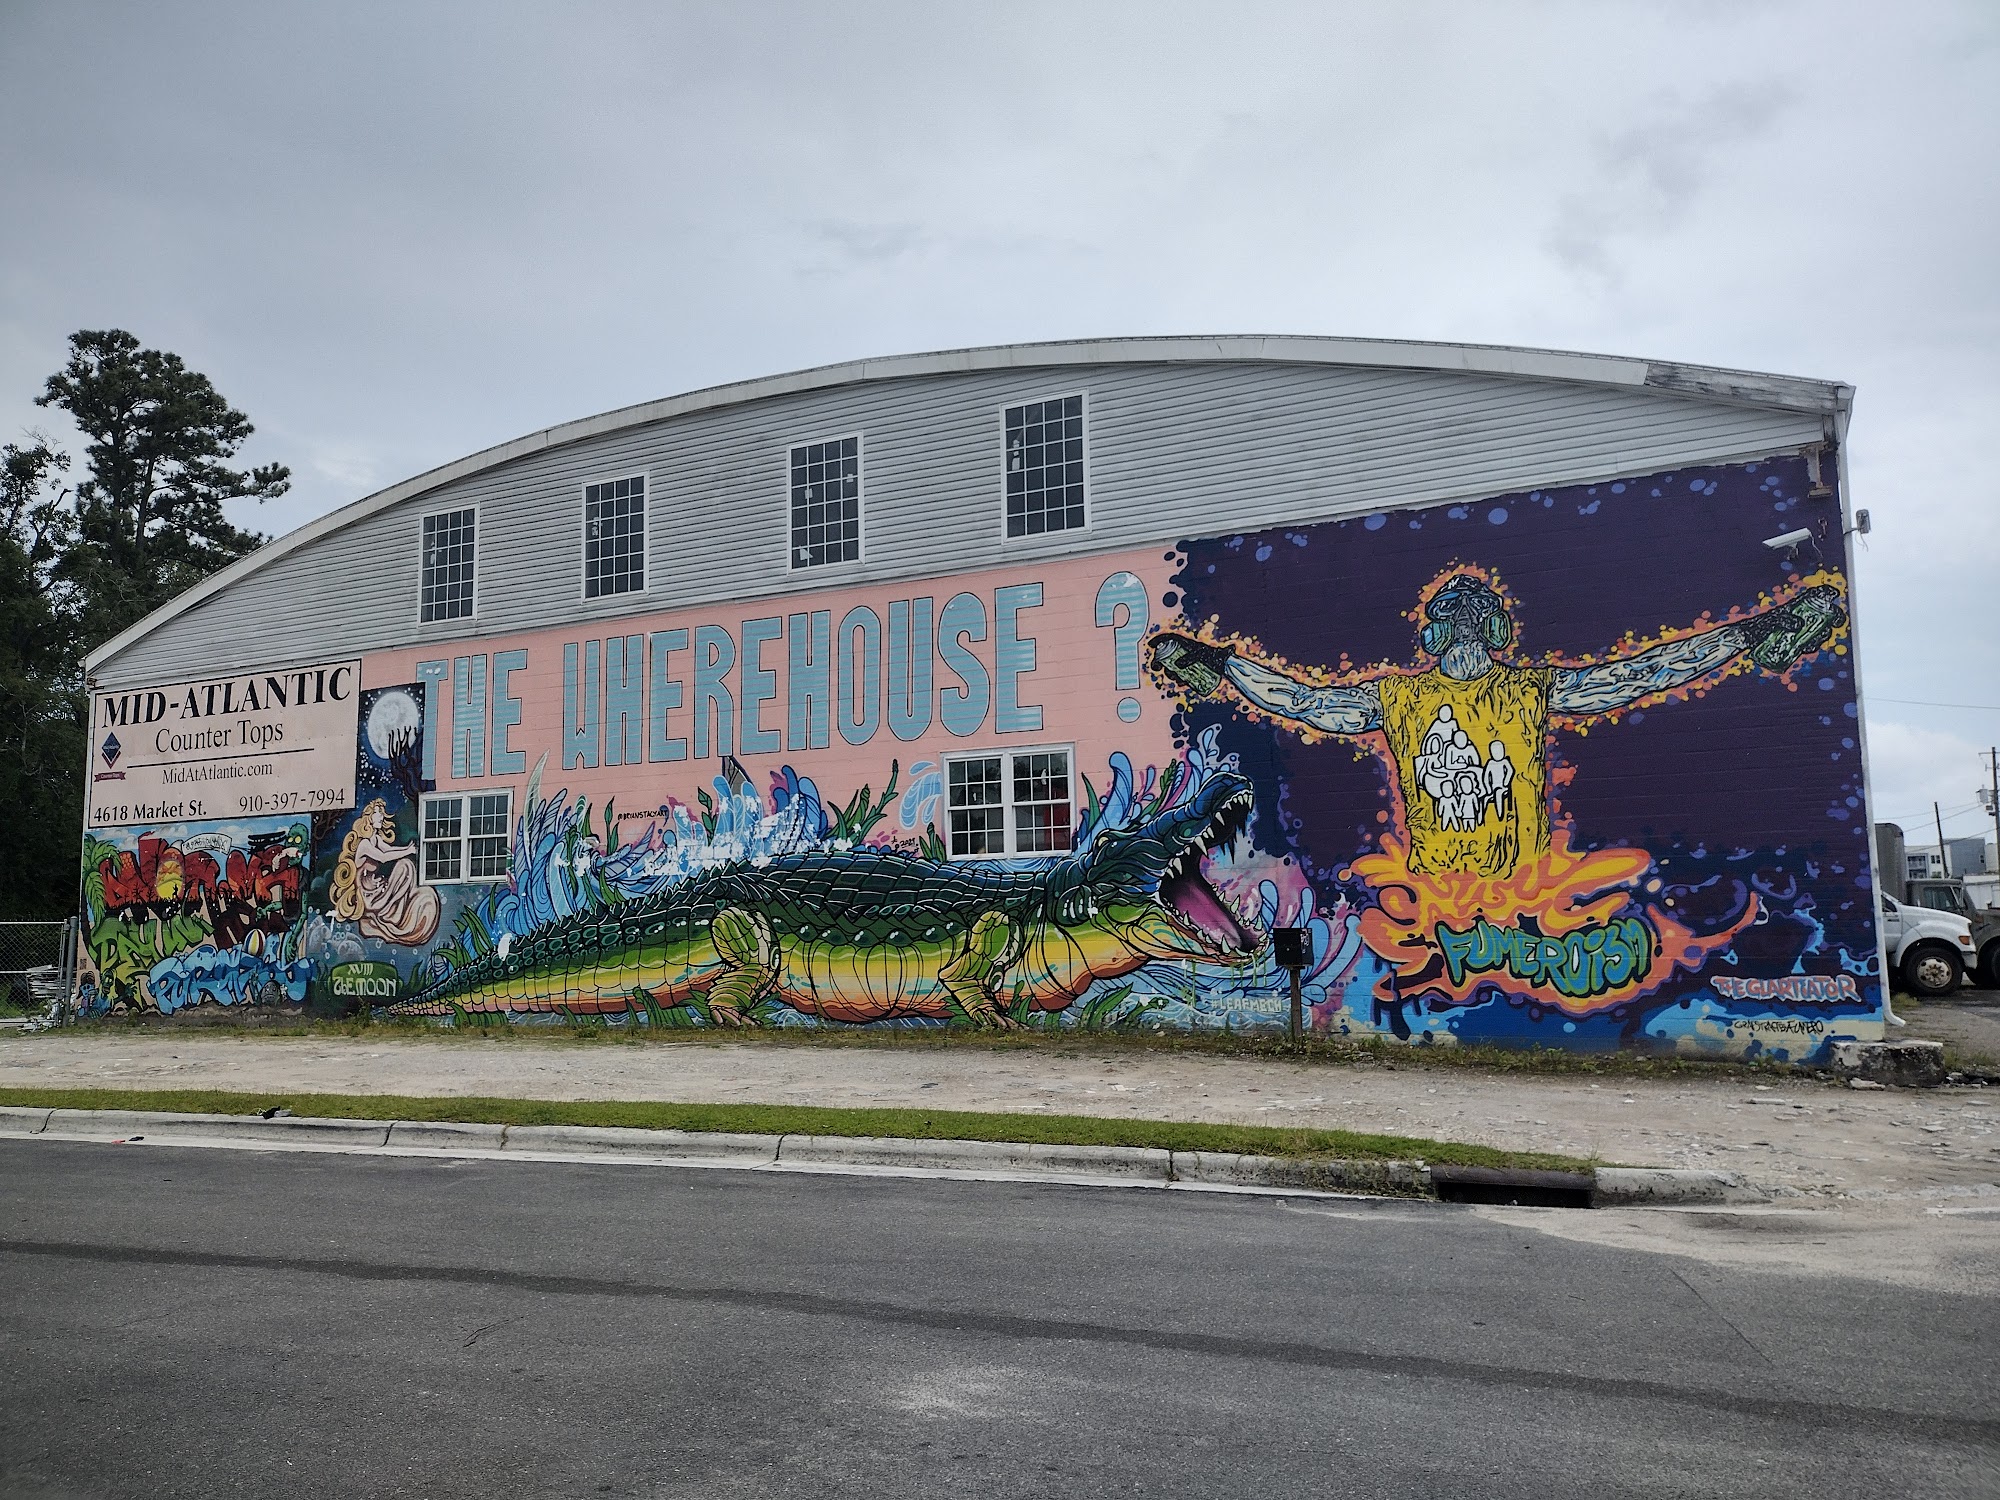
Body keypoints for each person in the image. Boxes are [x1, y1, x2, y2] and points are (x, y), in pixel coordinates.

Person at [1148, 572, 1844, 879]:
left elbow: (1641, 674)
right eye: (1451, 614)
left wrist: (1748, 636)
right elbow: (1306, 703)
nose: (1461, 622)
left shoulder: (1528, 691)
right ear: (1434, 632)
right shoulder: (1401, 698)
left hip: (1523, 891)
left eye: (1470, 612)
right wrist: (1223, 665)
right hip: (1433, 894)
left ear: (1492, 627)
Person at [329, 800, 441, 945]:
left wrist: (407, 849)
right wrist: (408, 851)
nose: (381, 816)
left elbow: (389, 849)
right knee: (404, 865)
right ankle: (389, 914)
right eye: (376, 813)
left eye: (382, 813)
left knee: (406, 865)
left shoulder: (375, 839)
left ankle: (396, 909)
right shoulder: (364, 844)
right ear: (368, 817)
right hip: (367, 896)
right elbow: (382, 857)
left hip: (376, 887)